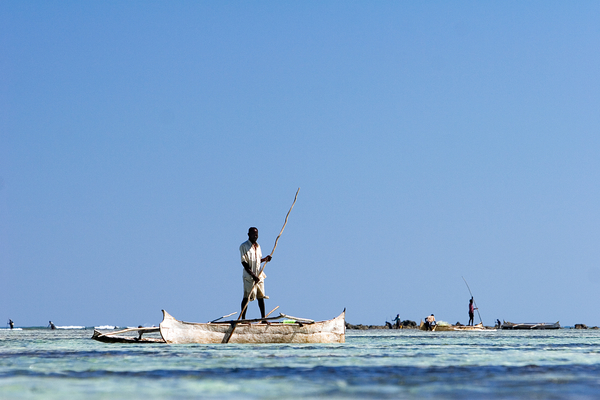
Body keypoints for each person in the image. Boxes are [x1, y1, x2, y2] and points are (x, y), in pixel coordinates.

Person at [239, 227, 272, 320]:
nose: (255, 236)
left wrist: (265, 259)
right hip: (249, 276)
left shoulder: (258, 246)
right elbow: (244, 263)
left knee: (261, 297)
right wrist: (253, 275)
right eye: (253, 234)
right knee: (247, 297)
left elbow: (257, 261)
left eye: (256, 234)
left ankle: (263, 318)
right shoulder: (244, 246)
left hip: (259, 275)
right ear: (248, 234)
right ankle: (243, 319)